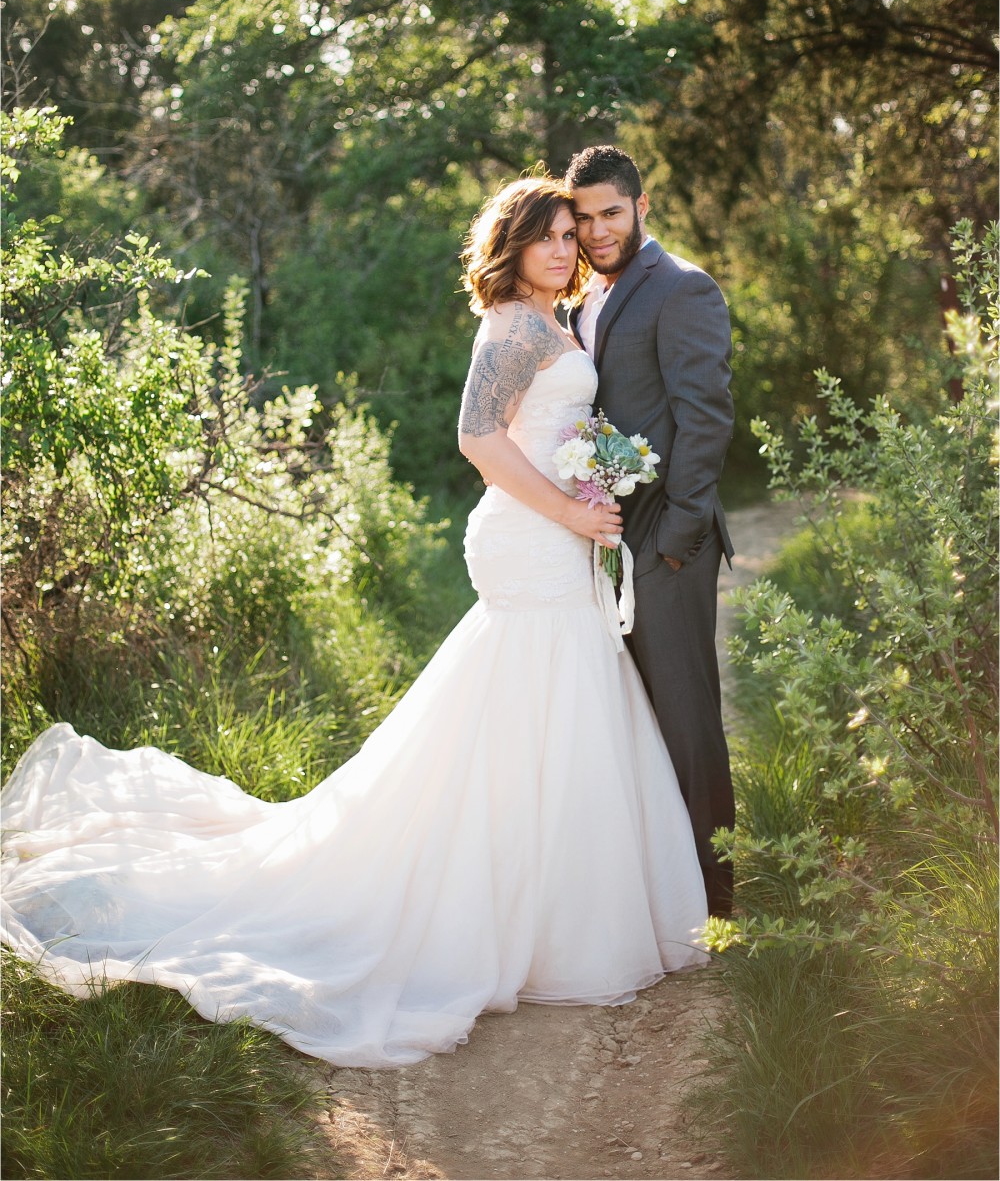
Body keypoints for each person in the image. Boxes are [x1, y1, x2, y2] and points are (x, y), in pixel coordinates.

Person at [1, 176, 708, 1071]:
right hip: (527, 538)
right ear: (514, 245)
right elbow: (477, 439)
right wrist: (569, 513)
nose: (565, 249)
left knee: (552, 704)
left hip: (559, 535)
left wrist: (591, 488)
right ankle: (499, 909)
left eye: (572, 234)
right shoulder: (516, 326)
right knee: (532, 692)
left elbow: (544, 428)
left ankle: (555, 904)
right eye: (547, 237)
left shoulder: (559, 320)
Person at [566, 146, 736, 917]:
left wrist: (676, 537)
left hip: (666, 542)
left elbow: (705, 418)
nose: (598, 230)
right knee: (626, 716)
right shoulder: (582, 302)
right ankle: (656, 891)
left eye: (611, 212)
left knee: (684, 712)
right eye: (585, 217)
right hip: (601, 539)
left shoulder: (682, 289)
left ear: (641, 207)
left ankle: (715, 897)